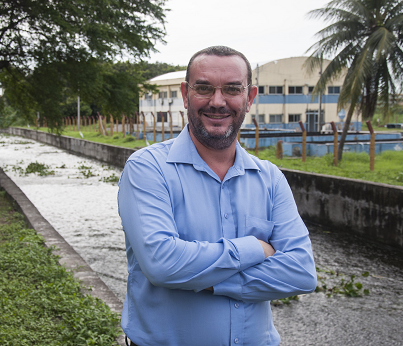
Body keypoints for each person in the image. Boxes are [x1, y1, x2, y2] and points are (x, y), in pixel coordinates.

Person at [117, 46, 317, 346]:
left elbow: (301, 272)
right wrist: (255, 249)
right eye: (204, 88)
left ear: (249, 98)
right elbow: (162, 263)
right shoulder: (148, 169)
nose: (218, 101)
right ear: (186, 94)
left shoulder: (269, 178)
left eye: (233, 89)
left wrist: (209, 282)